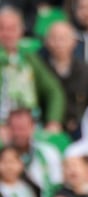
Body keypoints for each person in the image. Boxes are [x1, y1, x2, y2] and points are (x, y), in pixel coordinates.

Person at [0, 5, 65, 133]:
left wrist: (53, 121)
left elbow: (54, 91)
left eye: (12, 28)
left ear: (21, 30)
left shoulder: (29, 58)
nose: (8, 33)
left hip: (31, 126)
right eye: (2, 28)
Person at [39, 20, 88, 138]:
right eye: (54, 38)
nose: (58, 44)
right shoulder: (40, 68)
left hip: (78, 129)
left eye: (63, 39)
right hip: (46, 127)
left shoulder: (85, 71)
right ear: (47, 41)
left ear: (74, 42)